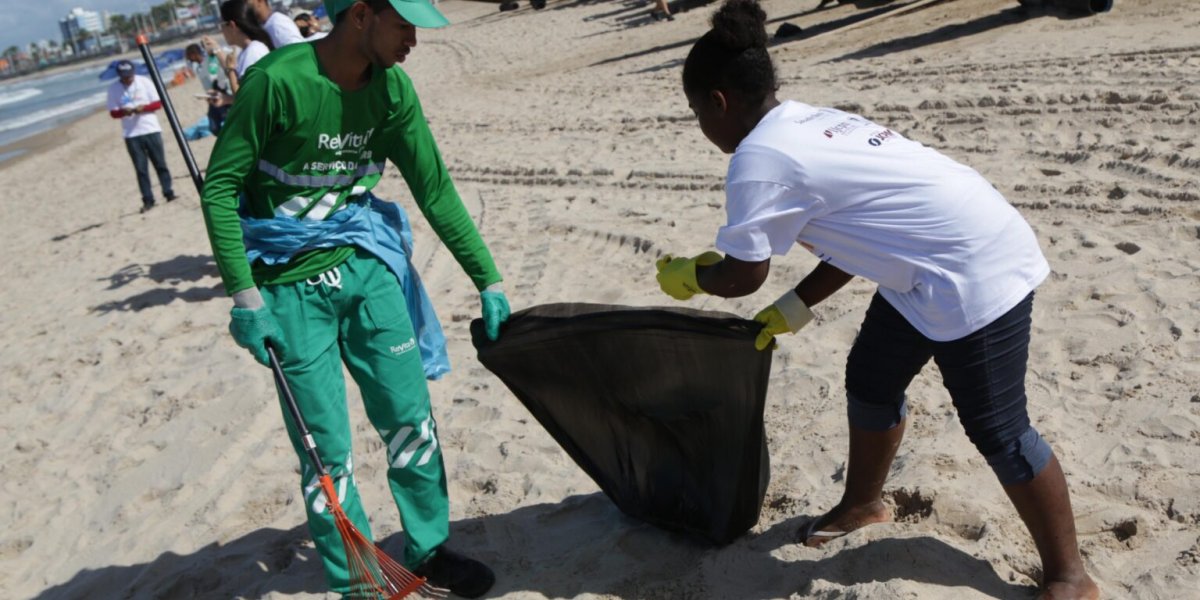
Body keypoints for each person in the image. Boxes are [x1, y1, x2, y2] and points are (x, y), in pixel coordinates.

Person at [653, 1, 1099, 599]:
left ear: (718, 102)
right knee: (870, 376)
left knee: (998, 428)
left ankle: (1071, 576)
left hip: (974, 265)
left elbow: (741, 276)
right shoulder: (804, 121)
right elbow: (858, 236)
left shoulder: (758, 161)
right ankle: (863, 503)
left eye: (694, 112)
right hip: (931, 259)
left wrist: (691, 275)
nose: (701, 127)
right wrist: (797, 306)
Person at [198, 0, 509, 597]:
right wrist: (245, 300)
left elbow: (434, 188)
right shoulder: (277, 83)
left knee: (410, 420)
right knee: (326, 454)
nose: (413, 39)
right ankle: (361, 583)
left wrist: (488, 280)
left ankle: (429, 548)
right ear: (361, 14)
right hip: (287, 289)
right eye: (404, 24)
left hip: (364, 266)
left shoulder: (392, 91)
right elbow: (221, 191)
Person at [106, 60, 176, 213]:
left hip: (150, 128)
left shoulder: (144, 82)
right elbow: (113, 112)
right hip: (131, 133)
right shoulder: (114, 89)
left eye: (129, 76)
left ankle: (168, 191)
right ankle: (148, 199)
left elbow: (158, 103)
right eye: (125, 77)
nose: (128, 79)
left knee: (160, 163)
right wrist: (124, 111)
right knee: (141, 169)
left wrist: (143, 107)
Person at [204, 0, 274, 97]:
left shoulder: (252, 52)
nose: (222, 31)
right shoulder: (249, 50)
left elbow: (243, 99)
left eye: (222, 25)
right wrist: (224, 98)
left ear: (232, 25)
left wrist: (231, 70)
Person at [184, 43, 231, 134]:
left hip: (220, 95)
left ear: (193, 54)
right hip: (211, 97)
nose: (188, 59)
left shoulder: (210, 62)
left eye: (189, 56)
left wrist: (217, 92)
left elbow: (218, 78)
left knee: (223, 122)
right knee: (213, 126)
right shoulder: (199, 67)